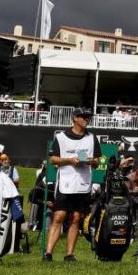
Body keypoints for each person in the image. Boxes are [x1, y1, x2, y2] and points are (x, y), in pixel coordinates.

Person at [43, 108, 101, 262]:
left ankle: (69, 254)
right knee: (58, 216)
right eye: (83, 117)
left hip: (83, 182)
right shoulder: (61, 137)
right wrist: (69, 160)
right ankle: (48, 253)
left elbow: (97, 162)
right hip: (66, 182)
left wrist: (90, 161)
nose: (86, 119)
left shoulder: (92, 138)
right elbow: (53, 159)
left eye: (88, 117)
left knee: (76, 217)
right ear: (75, 118)